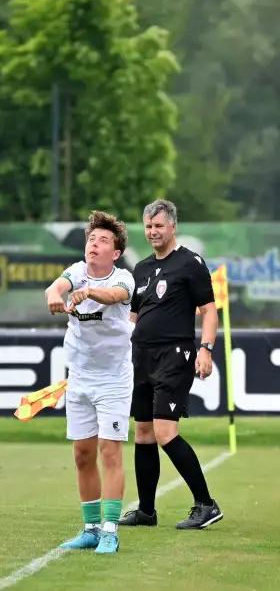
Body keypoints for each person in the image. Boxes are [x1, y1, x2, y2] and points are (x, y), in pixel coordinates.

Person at [119, 199, 223, 530]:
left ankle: (206, 505)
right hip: (141, 356)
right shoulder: (142, 268)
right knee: (143, 433)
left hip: (174, 355)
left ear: (173, 227)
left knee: (165, 431)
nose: (153, 232)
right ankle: (146, 511)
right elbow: (133, 317)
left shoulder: (190, 263)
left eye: (159, 226)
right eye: (148, 226)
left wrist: (206, 349)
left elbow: (208, 310)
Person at [45, 211, 135, 554]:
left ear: (115, 252)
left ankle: (110, 531)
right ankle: (91, 529)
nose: (94, 245)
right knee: (83, 454)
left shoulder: (124, 278)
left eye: (103, 240)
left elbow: (115, 296)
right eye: (91, 239)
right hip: (80, 377)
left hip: (113, 379)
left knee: (109, 452)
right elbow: (56, 286)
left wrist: (90, 293)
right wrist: (55, 295)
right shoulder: (76, 271)